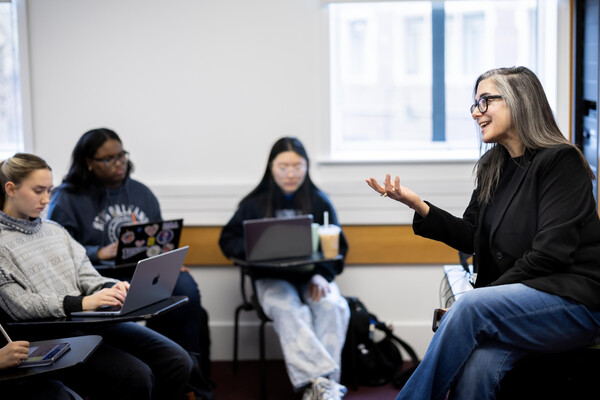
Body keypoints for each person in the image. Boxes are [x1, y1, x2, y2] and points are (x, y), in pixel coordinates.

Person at [366, 66, 600, 400]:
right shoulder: (494, 166)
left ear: (519, 102)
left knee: (469, 308)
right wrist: (420, 206)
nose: (477, 112)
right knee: (478, 368)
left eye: (485, 101)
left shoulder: (562, 162)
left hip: (571, 305)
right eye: (475, 104)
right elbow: (471, 235)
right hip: (519, 309)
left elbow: (549, 255)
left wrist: (480, 301)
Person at [0, 153, 193, 399]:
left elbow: (87, 276)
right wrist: (81, 303)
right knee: (136, 376)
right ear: (11, 189)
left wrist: (114, 288)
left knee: (176, 360)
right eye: (38, 190)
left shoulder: (54, 230)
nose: (46, 200)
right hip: (49, 333)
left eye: (49, 190)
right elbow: (20, 306)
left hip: (87, 322)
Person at [46, 128, 213, 399]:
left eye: (121, 155)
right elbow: (59, 253)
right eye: (108, 158)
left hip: (140, 268)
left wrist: (166, 260)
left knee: (186, 290)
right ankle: (174, 374)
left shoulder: (140, 192)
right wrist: (101, 251)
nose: (119, 162)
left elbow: (158, 236)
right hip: (97, 275)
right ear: (88, 162)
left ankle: (189, 378)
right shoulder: (66, 198)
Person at [219, 137, 350, 400]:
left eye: (297, 166)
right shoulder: (253, 203)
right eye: (283, 167)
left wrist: (321, 274)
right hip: (271, 278)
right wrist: (256, 250)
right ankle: (322, 384)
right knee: (288, 309)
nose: (291, 173)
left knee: (333, 305)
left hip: (311, 276)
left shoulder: (319, 201)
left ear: (307, 167)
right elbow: (228, 240)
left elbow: (337, 247)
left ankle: (322, 387)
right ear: (271, 167)